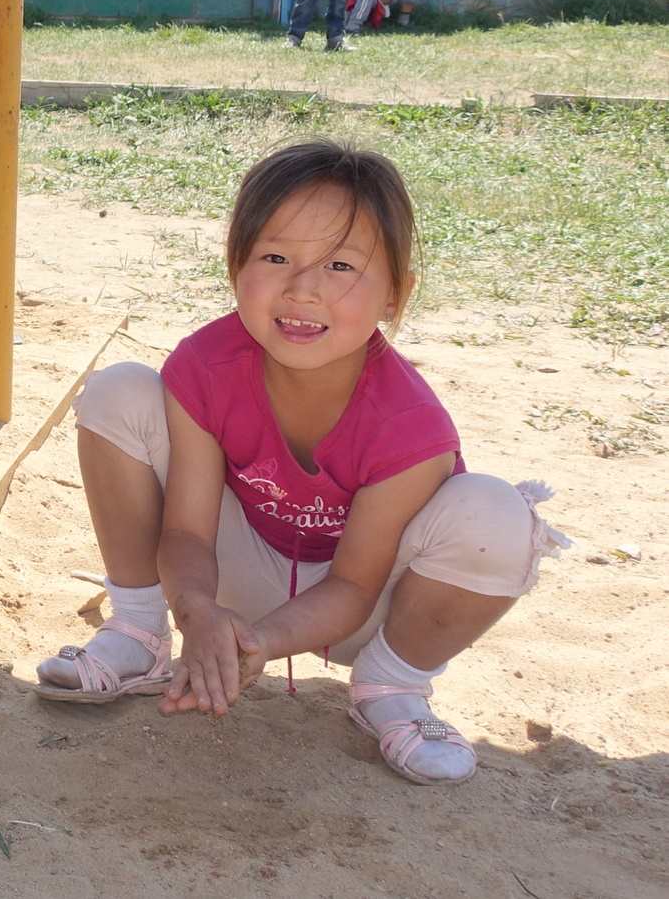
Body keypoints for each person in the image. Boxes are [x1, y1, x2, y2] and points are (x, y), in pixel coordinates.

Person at [34, 142, 565, 786]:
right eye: (276, 257)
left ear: (395, 295)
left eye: (341, 266)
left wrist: (251, 645)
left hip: (366, 612)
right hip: (231, 576)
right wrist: (198, 613)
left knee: (498, 515)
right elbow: (186, 533)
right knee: (119, 389)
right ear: (236, 268)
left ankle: (391, 688)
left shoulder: (410, 423)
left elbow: (353, 588)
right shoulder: (206, 364)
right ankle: (140, 636)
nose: (303, 289)